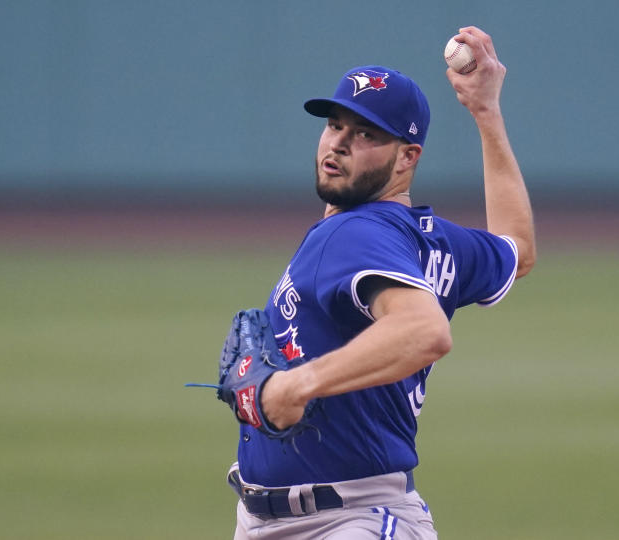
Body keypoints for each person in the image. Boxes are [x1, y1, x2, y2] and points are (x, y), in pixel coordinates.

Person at [227, 26, 535, 539]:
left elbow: (425, 332)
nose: (339, 144)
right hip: (294, 518)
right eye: (334, 124)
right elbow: (517, 248)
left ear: (407, 157)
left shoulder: (354, 232)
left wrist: (296, 384)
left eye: (367, 134)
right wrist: (486, 113)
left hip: (347, 523)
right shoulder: (434, 242)